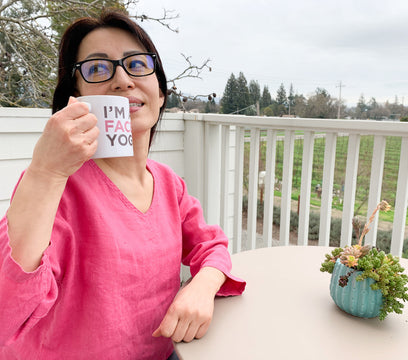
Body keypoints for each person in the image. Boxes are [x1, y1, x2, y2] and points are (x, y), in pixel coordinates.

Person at [0, 9, 245, 360]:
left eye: (137, 64)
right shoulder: (54, 186)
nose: (123, 80)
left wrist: (202, 286)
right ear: (76, 96)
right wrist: (46, 172)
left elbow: (212, 245)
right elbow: (7, 307)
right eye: (98, 68)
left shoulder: (168, 183)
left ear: (160, 94)